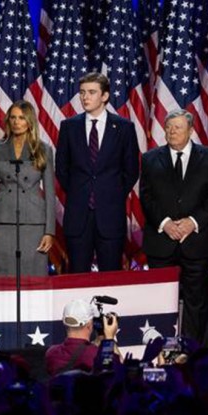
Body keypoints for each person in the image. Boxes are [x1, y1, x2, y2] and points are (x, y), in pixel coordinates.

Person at [140, 109, 208, 341]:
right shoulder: (150, 158)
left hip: (196, 242)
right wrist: (166, 224)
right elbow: (146, 197)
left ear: (191, 130)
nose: (171, 131)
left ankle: (191, 349)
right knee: (159, 299)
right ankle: (159, 347)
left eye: (177, 127)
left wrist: (192, 222)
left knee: (196, 300)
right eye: (168, 127)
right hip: (161, 242)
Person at [55, 72, 140, 273]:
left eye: (92, 92)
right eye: (82, 92)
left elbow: (131, 170)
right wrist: (79, 191)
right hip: (78, 216)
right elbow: (62, 169)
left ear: (105, 96)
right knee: (77, 275)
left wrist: (110, 193)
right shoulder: (69, 127)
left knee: (110, 276)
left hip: (110, 215)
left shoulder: (123, 127)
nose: (85, 97)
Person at [0, 101, 55, 277]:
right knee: (3, 277)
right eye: (13, 117)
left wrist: (49, 231)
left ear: (30, 121)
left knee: (33, 276)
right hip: (2, 221)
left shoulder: (44, 149)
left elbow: (50, 193)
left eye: (21, 118)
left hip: (34, 223)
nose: (16, 122)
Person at [44, 299, 118, 376]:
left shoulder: (51, 353)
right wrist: (109, 338)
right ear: (89, 326)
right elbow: (116, 371)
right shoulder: (96, 354)